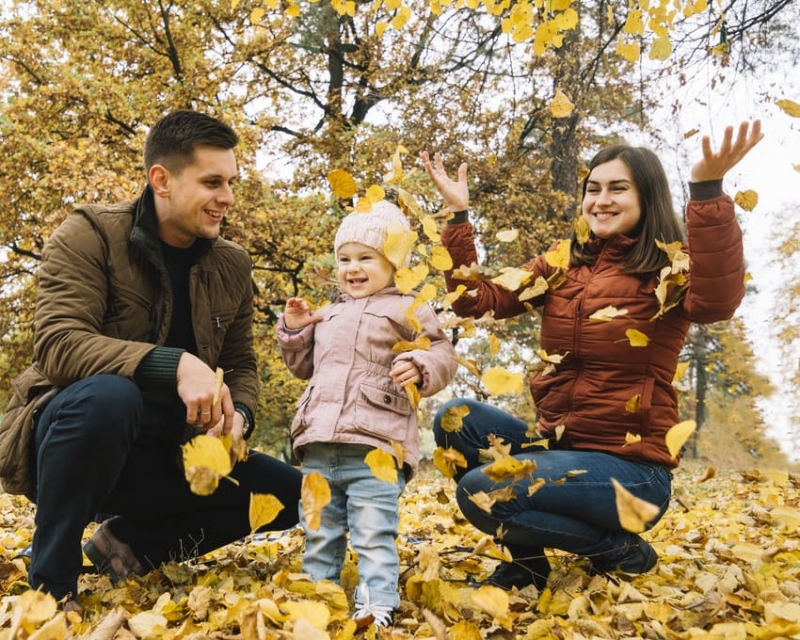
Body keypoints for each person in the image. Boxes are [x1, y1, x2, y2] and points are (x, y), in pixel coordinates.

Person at [420, 120, 763, 591]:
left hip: (633, 474)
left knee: (481, 490)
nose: (601, 200)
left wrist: (706, 189)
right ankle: (528, 566)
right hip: (560, 448)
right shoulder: (562, 264)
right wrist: (458, 219)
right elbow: (474, 301)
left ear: (647, 199)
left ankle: (617, 549)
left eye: (618, 188)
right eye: (593, 189)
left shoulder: (670, 265)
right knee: (457, 417)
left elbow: (718, 302)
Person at [0, 110, 302, 610]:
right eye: (211, 182)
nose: (226, 197)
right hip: (78, 441)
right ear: (160, 179)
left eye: (230, 182)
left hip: (171, 453)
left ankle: (129, 545)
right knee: (109, 397)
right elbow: (57, 342)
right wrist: (175, 364)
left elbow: (241, 364)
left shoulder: (233, 263)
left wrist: (239, 419)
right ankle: (51, 585)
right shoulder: (90, 233)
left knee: (291, 492)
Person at [276, 199, 457, 627]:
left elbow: (442, 352)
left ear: (394, 264)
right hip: (319, 442)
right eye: (344, 258)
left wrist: (420, 365)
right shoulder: (329, 313)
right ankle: (316, 597)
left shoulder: (408, 308)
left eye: (365, 258)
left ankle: (377, 603)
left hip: (376, 444)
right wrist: (297, 330)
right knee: (319, 528)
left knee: (374, 530)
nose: (352, 268)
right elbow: (303, 367)